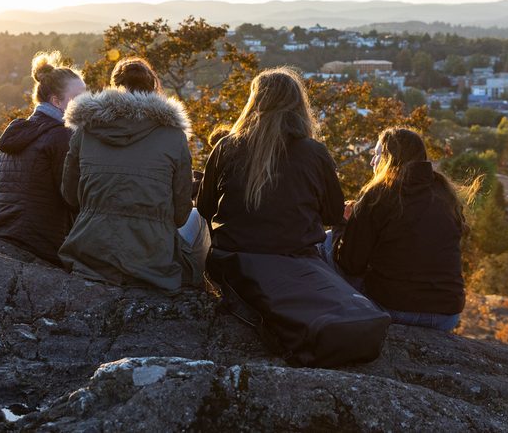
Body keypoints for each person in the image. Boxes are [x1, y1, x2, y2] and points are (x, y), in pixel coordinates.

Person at [59, 57, 208, 291]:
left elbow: (69, 196)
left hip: (91, 253)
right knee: (199, 220)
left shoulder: (86, 129)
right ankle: (201, 293)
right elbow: (180, 215)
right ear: (153, 89)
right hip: (152, 259)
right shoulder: (173, 135)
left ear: (113, 88)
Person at [329, 127, 476, 332]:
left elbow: (350, 264)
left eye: (377, 155)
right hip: (447, 315)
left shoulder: (378, 195)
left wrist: (343, 224)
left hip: (395, 309)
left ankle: (322, 321)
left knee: (325, 243)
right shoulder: (444, 193)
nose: (372, 162)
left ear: (390, 159)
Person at [196, 67, 345, 258]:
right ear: (299, 106)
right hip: (295, 260)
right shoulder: (314, 152)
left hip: (232, 261)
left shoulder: (227, 147)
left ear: (254, 103)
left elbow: (204, 207)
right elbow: (333, 215)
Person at [0, 52, 87, 264]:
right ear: (57, 101)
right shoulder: (61, 135)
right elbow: (73, 199)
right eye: (78, 99)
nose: (86, 104)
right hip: (38, 243)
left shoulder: (15, 133)